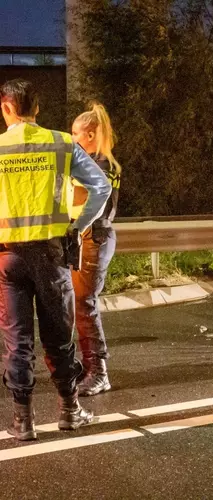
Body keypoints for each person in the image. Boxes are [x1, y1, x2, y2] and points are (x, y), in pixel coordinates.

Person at [0, 79, 111, 441]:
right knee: (58, 337)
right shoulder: (62, 143)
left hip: (8, 258)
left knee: (18, 341)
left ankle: (23, 423)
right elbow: (101, 187)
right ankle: (69, 412)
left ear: (6, 109)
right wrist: (78, 226)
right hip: (51, 254)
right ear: (37, 109)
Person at [69, 102, 121, 396]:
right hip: (95, 237)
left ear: (90, 134)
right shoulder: (107, 163)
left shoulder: (96, 166)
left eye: (76, 133)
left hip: (93, 237)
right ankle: (87, 367)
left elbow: (82, 202)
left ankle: (99, 371)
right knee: (78, 304)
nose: (73, 139)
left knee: (84, 304)